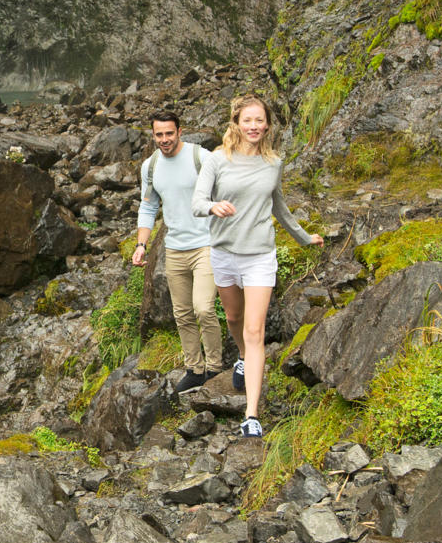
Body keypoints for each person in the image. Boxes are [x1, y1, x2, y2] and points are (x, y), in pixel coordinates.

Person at [191, 95, 323, 438]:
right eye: (247, 120)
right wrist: (213, 207)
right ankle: (242, 358)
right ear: (236, 122)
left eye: (259, 121)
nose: (253, 126)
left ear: (267, 125)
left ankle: (250, 415)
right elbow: (197, 202)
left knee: (255, 332)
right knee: (234, 319)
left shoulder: (273, 162)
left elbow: (279, 206)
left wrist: (303, 237)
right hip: (223, 254)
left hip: (260, 256)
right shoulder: (218, 160)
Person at [132, 111, 217, 393]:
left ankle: (215, 368)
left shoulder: (200, 157)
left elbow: (224, 188)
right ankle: (195, 369)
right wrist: (141, 245)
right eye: (159, 135)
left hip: (206, 244)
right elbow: (148, 207)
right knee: (182, 314)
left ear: (180, 131)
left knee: (203, 308)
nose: (165, 139)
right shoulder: (151, 166)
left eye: (169, 133)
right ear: (153, 135)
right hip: (175, 249)